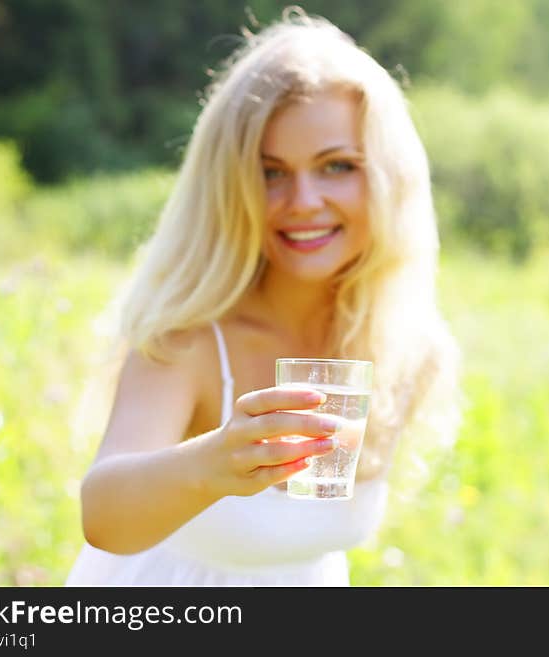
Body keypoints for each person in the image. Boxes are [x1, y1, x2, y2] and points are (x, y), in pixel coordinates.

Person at [65, 8, 461, 587]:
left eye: (337, 166)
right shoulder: (192, 337)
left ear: (388, 176)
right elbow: (103, 516)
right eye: (270, 172)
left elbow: (308, 541)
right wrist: (216, 460)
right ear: (229, 184)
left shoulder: (405, 349)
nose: (303, 201)